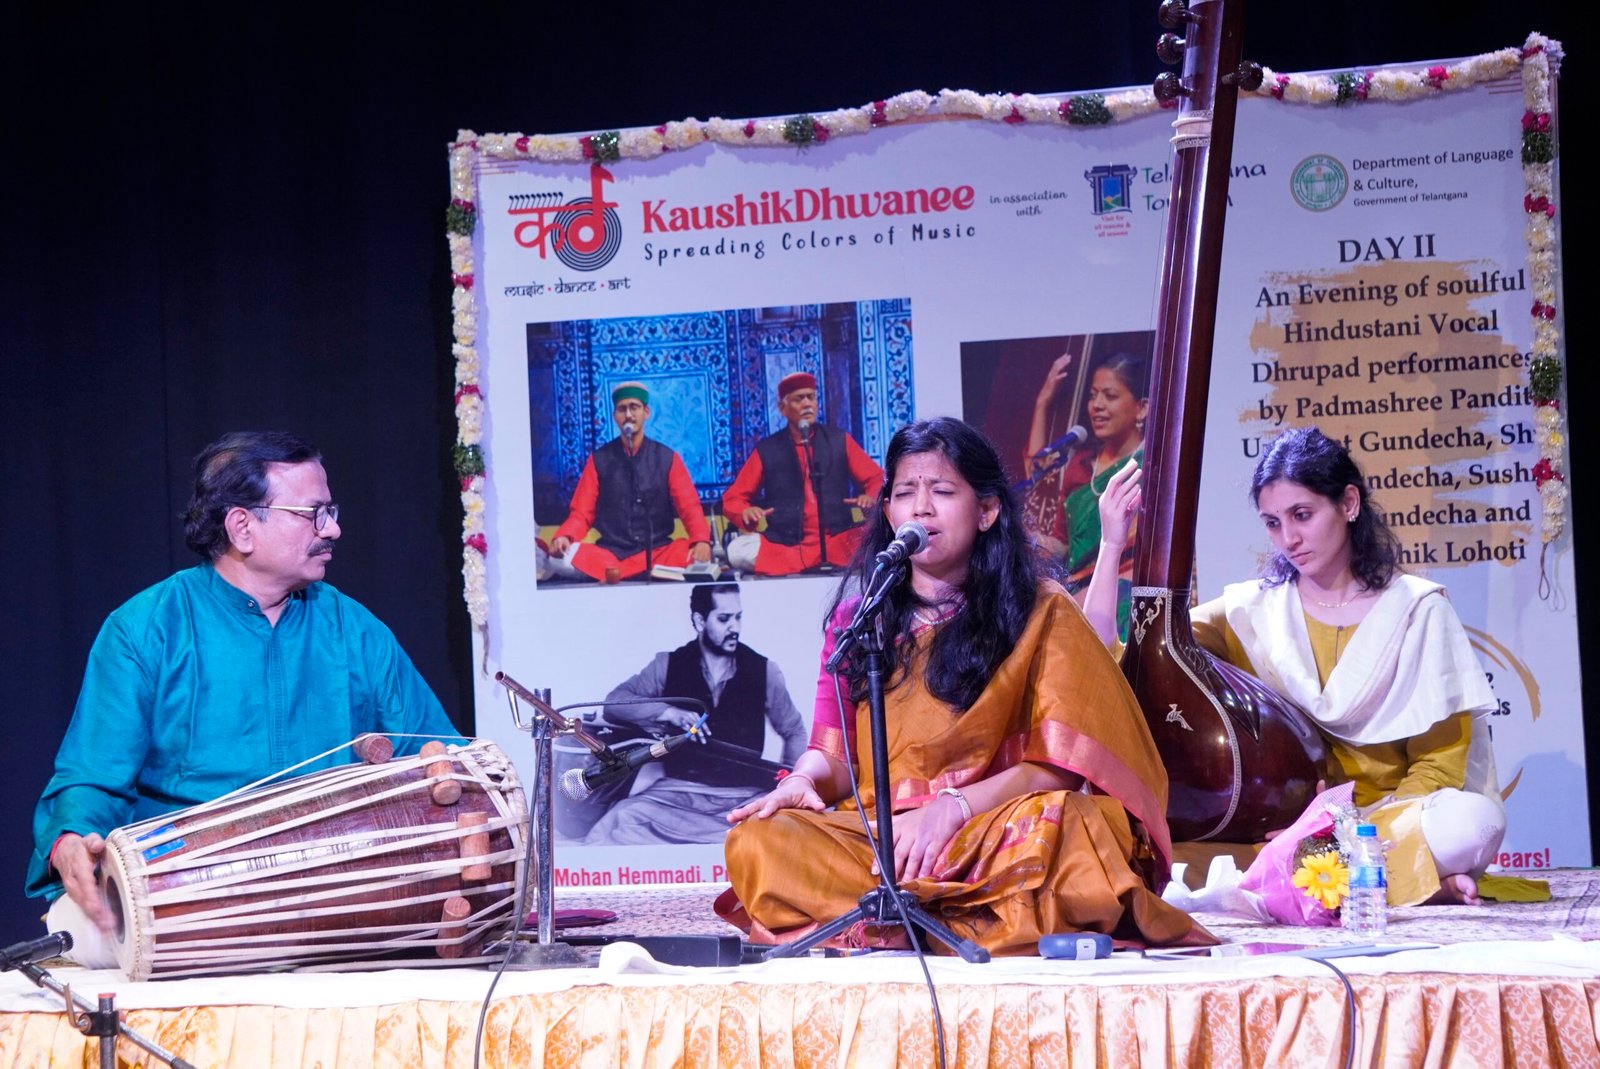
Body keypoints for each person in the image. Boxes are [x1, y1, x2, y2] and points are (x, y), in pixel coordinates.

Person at [714, 417, 1205, 955]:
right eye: (905, 493)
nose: (921, 508)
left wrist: (952, 808)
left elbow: (1059, 766)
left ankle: (905, 922)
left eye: (942, 491)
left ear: (988, 510)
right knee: (758, 843)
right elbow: (832, 758)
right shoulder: (858, 620)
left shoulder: (1040, 610)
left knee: (1076, 830)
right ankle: (965, 918)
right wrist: (802, 782)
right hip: (890, 843)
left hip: (992, 832)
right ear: (888, 513)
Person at [28, 431, 463, 934]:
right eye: (313, 513)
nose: (334, 530)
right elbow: (92, 776)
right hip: (186, 899)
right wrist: (71, 841)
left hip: (341, 901)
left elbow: (439, 759)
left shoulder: (356, 631)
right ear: (242, 527)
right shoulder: (147, 629)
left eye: (332, 510)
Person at [1091, 426, 1505, 906]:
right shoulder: (1252, 612)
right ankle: (1400, 885)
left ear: (1349, 504)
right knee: (1138, 844)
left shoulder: (1416, 610)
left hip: (1381, 820)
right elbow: (1127, 660)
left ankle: (1329, 876)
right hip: (1280, 832)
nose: (1288, 538)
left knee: (1472, 823)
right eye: (1272, 522)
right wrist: (1111, 545)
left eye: (1302, 515)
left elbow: (1439, 765)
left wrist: (1339, 828)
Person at [578, 582, 807, 844]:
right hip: (676, 796)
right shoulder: (667, 665)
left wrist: (787, 784)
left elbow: (794, 730)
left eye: (738, 617)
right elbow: (614, 703)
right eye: (724, 619)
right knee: (613, 826)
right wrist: (668, 712)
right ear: (699, 621)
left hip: (745, 797)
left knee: (789, 834)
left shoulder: (764, 671)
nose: (735, 627)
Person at [541, 381, 713, 581]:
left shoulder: (668, 458)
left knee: (697, 556)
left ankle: (619, 575)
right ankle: (637, 573)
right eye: (622, 409)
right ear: (615, 416)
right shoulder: (599, 460)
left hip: (658, 551)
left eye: (634, 407)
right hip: (611, 554)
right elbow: (581, 513)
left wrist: (701, 540)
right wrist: (565, 536)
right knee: (559, 559)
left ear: (646, 412)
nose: (629, 415)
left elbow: (689, 507)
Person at [722, 372, 884, 576]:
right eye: (799, 399)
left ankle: (814, 564)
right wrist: (745, 512)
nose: (807, 404)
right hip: (787, 547)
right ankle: (807, 564)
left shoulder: (838, 440)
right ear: (783, 408)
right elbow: (733, 498)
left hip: (838, 541)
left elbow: (877, 478)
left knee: (882, 540)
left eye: (811, 397)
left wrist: (869, 497)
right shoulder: (768, 449)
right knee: (737, 550)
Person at [1052, 352, 1148, 641]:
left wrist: (1106, 586)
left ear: (1141, 409)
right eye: (1093, 396)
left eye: (1110, 396)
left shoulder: (1153, 465)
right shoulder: (1079, 466)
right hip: (1072, 589)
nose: (1097, 406)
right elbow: (1061, 542)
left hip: (1130, 593)